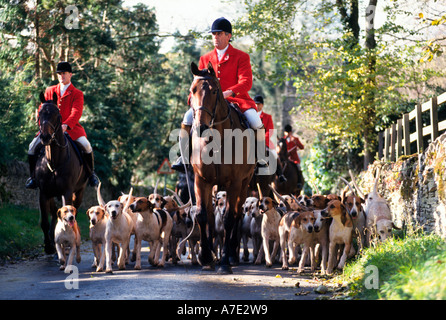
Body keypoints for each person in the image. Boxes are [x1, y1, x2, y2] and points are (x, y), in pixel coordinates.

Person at [172, 17, 266, 172]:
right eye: (213, 34)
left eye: (219, 33)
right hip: (208, 102)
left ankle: (261, 157)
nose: (215, 36)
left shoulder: (241, 57)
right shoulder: (205, 58)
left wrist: (230, 91)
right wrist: (193, 101)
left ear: (228, 36)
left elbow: (246, 82)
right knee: (187, 118)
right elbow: (197, 85)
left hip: (237, 100)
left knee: (255, 121)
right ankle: (183, 156)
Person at [26, 61, 99, 189]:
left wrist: (66, 125)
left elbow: (76, 112)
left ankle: (91, 174)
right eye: (59, 74)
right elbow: (41, 110)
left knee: (87, 146)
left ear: (70, 74)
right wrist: (42, 126)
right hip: (49, 129)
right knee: (32, 147)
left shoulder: (77, 93)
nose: (61, 76)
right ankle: (32, 177)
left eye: (64, 73)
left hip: (71, 129)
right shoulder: (49, 90)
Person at [253, 95, 286, 182]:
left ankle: (280, 175)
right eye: (255, 104)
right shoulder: (249, 116)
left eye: (259, 104)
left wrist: (261, 140)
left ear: (262, 105)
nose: (257, 106)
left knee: (274, 155)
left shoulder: (267, 117)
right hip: (251, 141)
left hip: (263, 142)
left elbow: (270, 131)